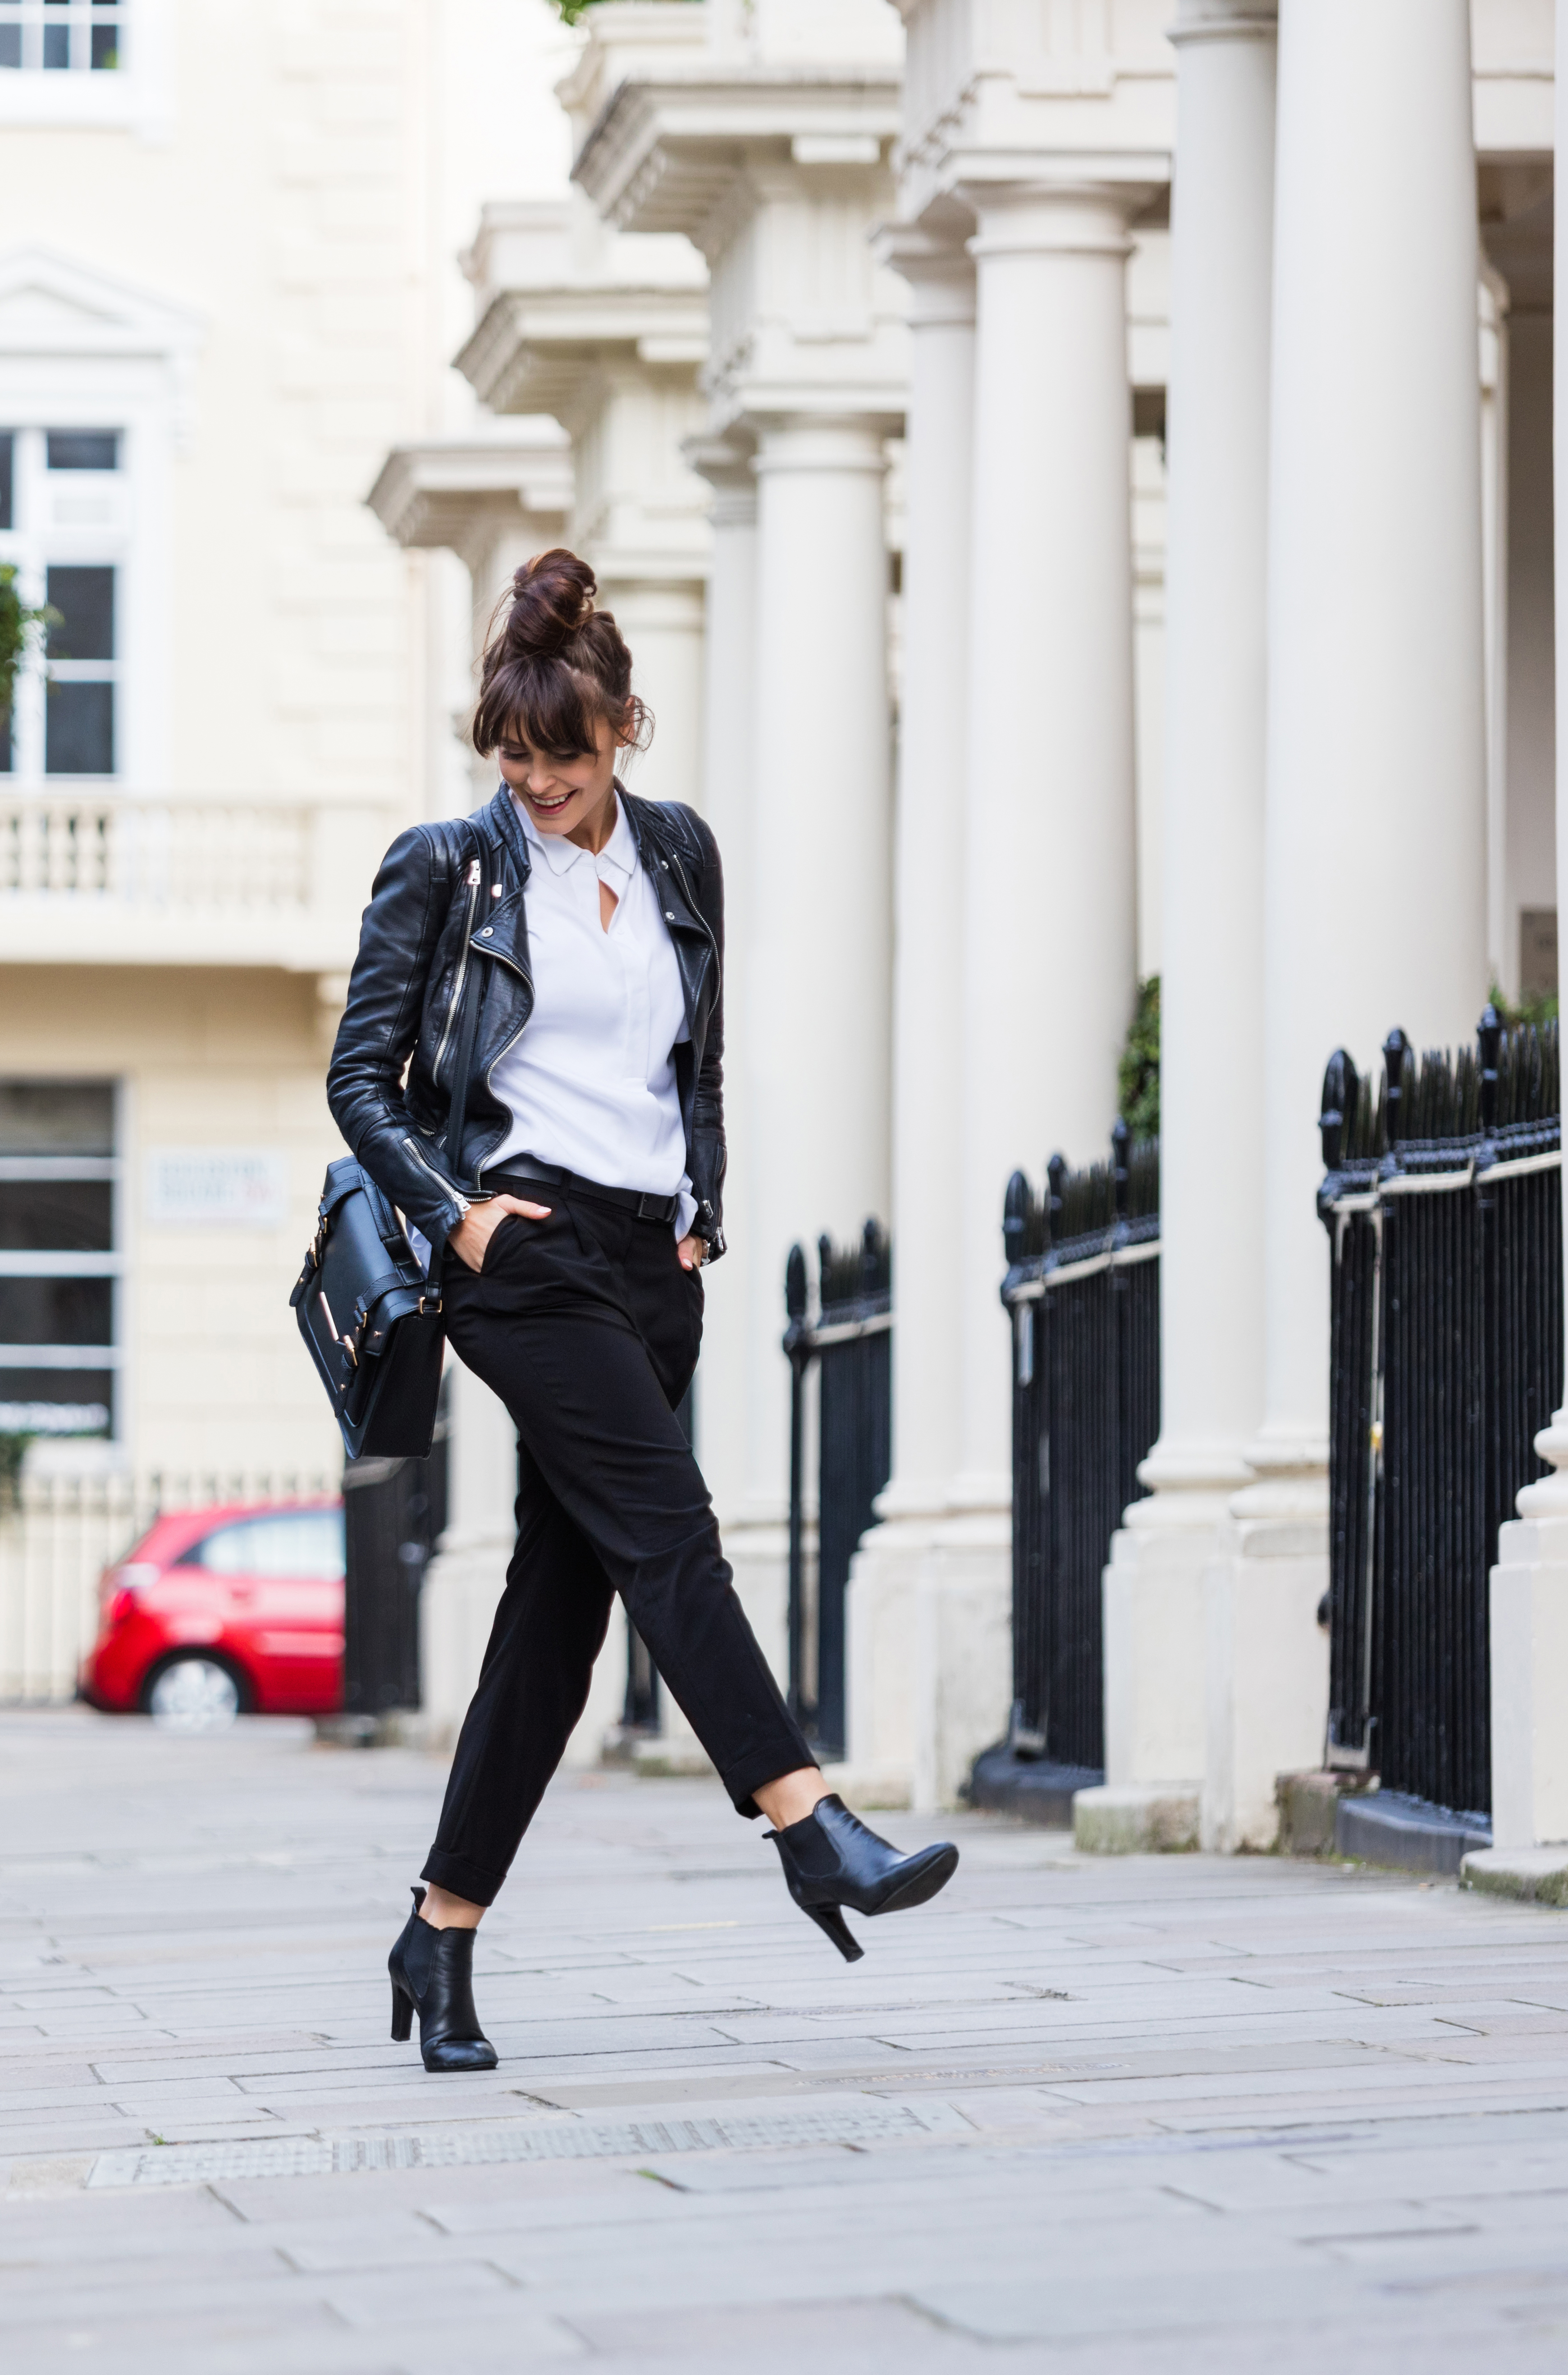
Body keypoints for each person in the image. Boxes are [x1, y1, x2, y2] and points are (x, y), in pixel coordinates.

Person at [326, 549, 958, 2074]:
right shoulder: (449, 866)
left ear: (623, 731)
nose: (534, 783)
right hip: (521, 1248)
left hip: (644, 1262)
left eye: (562, 754)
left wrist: (700, 1223)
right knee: (673, 1529)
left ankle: (442, 1928)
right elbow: (364, 1078)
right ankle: (809, 1824)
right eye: (512, 755)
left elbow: (700, 1065)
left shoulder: (681, 854)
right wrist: (461, 1215)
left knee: (557, 1616)